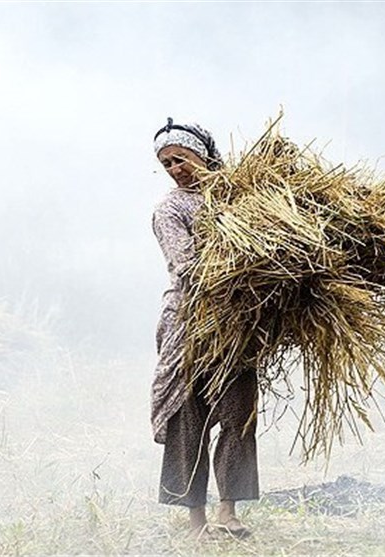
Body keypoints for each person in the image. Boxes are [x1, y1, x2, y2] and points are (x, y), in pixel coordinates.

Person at [150, 117, 259, 539]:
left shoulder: (237, 196)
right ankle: (196, 521)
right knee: (188, 419)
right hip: (191, 322)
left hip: (236, 322)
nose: (175, 169)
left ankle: (229, 513)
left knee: (238, 414)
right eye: (167, 164)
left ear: (202, 154)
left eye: (181, 158)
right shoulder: (170, 209)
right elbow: (188, 267)